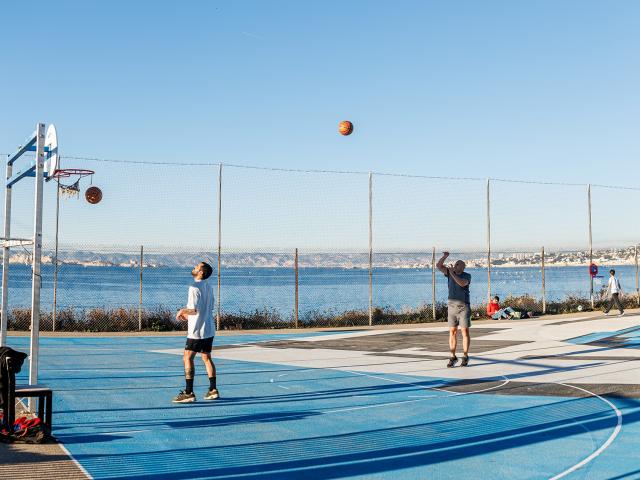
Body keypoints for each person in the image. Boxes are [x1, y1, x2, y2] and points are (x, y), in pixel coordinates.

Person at [173, 262, 219, 403]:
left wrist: (182, 311)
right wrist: (186, 316)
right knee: (206, 358)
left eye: (197, 267)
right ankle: (213, 390)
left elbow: (194, 310)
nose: (194, 267)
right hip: (209, 329)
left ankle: (189, 392)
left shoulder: (194, 287)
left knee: (187, 357)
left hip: (197, 332)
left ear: (201, 272)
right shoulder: (209, 287)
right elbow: (205, 309)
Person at [437, 251, 472, 367]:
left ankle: (465, 356)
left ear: (463, 267)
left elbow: (462, 283)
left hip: (463, 307)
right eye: (456, 264)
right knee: (452, 332)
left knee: (464, 331)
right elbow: (438, 266)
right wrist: (445, 257)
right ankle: (453, 356)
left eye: (458, 264)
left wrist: (452, 274)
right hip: (451, 307)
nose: (456, 265)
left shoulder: (467, 276)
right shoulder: (449, 272)